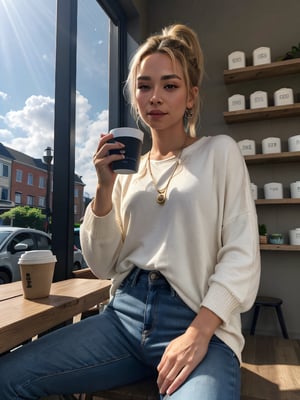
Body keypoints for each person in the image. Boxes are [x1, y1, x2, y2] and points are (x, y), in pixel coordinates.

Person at [0, 24, 260, 400]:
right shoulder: (126, 174)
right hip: (122, 317)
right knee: (8, 377)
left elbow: (242, 254)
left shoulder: (219, 152)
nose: (155, 96)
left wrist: (200, 331)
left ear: (191, 96)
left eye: (169, 86)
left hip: (197, 319)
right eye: (144, 86)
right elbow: (104, 265)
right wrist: (103, 189)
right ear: (135, 96)